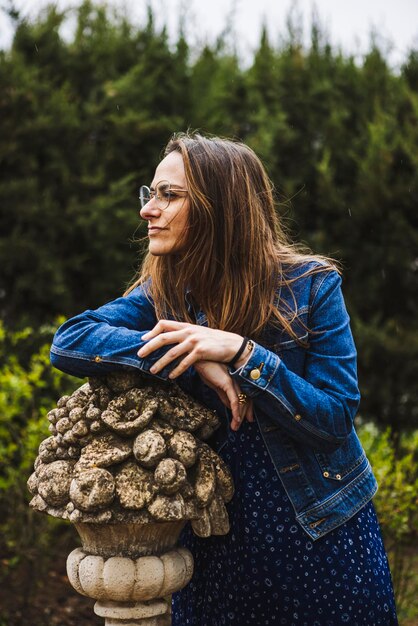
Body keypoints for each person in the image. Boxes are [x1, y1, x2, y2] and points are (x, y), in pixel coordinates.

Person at [50, 133, 398, 626]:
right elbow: (69, 341)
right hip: (216, 539)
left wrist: (240, 352)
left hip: (320, 533)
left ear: (221, 207)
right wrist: (191, 351)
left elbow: (333, 417)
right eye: (150, 193)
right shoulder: (164, 293)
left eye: (169, 195)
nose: (149, 209)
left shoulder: (312, 286)